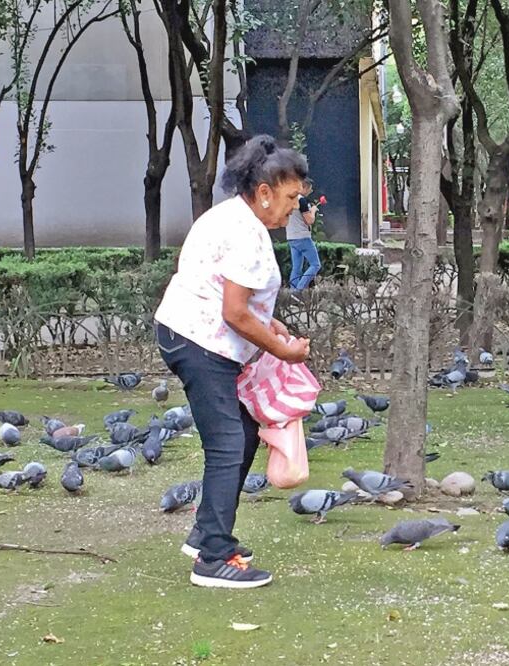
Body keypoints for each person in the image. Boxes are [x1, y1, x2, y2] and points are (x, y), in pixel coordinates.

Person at [154, 135, 311, 590]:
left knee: (241, 434)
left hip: (187, 333)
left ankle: (208, 533)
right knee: (228, 444)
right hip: (202, 344)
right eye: (290, 198)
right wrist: (285, 351)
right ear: (264, 191)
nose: (294, 209)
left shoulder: (229, 217)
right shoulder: (247, 233)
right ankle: (213, 559)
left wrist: (272, 322)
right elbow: (235, 312)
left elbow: (228, 290)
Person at [286, 179, 321, 292]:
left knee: (296, 268)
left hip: (291, 236)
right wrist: (313, 211)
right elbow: (309, 220)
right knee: (315, 265)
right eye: (309, 190)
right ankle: (298, 291)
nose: (309, 192)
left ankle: (292, 293)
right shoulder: (301, 201)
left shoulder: (289, 199)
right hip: (303, 237)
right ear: (303, 187)